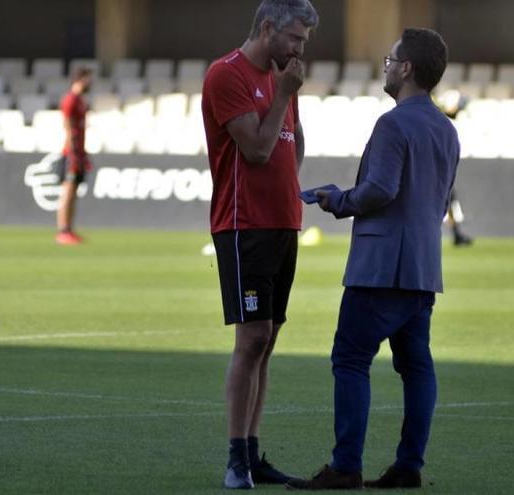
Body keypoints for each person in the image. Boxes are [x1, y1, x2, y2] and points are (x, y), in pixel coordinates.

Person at [286, 28, 460, 490]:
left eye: (391, 58)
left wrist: (337, 199)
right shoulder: (447, 129)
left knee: (350, 358)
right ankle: (409, 466)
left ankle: (346, 466)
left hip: (381, 266)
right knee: (416, 366)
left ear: (406, 68)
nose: (386, 64)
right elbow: (439, 202)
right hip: (423, 269)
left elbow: (381, 190)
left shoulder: (393, 123)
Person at [200, 0, 318, 489]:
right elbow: (258, 148)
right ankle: (234, 460)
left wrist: (286, 96)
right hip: (243, 223)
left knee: (266, 342)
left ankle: (251, 452)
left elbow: (295, 143)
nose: (298, 50)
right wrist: (285, 95)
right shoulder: (226, 74)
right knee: (250, 339)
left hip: (282, 222)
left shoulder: (280, 77)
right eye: (294, 38)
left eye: (303, 43)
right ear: (267, 27)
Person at [55, 68, 92, 245]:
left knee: (74, 191)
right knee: (68, 191)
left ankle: (69, 228)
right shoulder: (70, 100)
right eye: (88, 80)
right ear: (80, 80)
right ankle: (62, 230)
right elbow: (67, 126)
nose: (91, 83)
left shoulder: (80, 101)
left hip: (79, 152)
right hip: (71, 153)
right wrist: (73, 152)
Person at [437, 90, 473, 247]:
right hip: (435, 171)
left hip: (439, 171)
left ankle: (457, 234)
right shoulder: (441, 121)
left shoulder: (444, 121)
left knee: (449, 199)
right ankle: (456, 234)